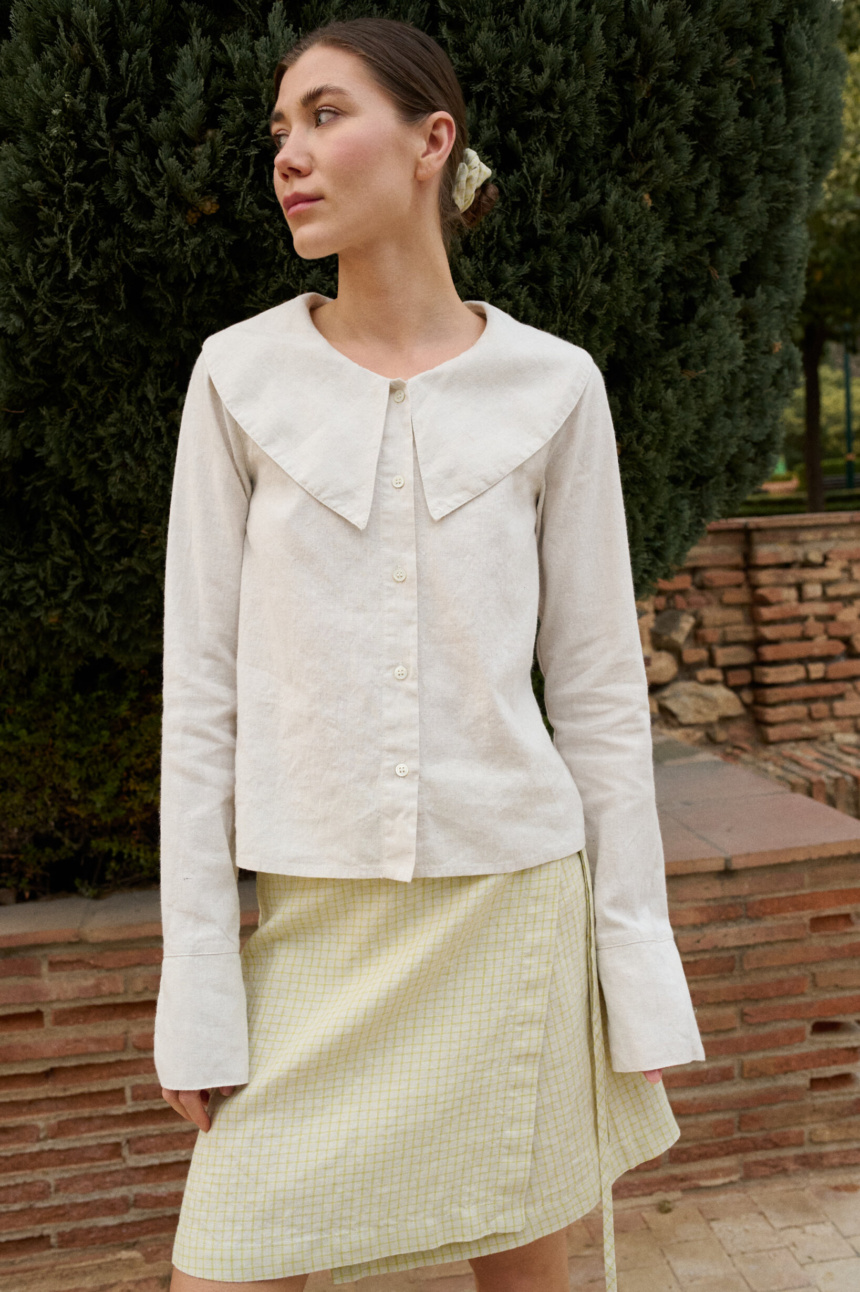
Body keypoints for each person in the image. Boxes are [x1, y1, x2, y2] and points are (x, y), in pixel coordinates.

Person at [154, 15, 705, 1292]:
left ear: (429, 142)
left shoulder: (554, 385)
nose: (289, 152)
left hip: (508, 904)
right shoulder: (236, 377)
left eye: (326, 114)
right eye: (279, 129)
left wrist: (635, 970)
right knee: (227, 1260)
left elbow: (600, 700)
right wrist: (195, 980)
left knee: (523, 1273)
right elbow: (200, 699)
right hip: (312, 921)